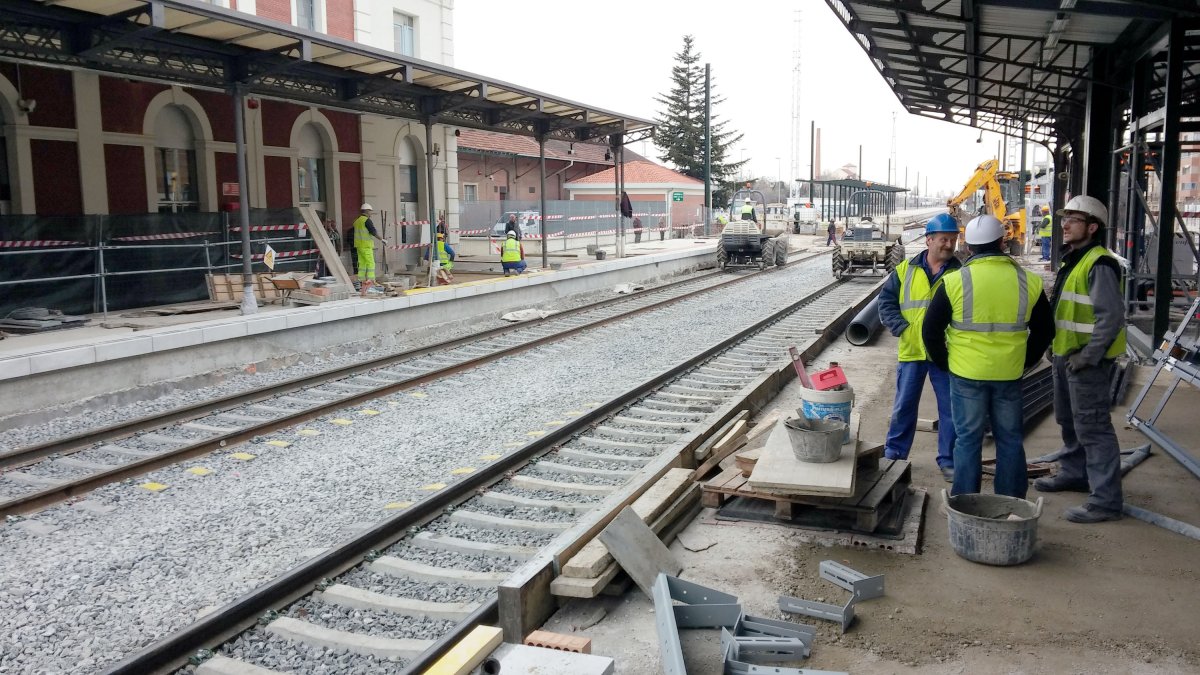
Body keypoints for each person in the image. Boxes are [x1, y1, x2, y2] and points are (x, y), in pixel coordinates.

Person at [922, 214, 1054, 499]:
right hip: (1009, 374)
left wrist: (946, 364)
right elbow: (1045, 331)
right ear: (1002, 242)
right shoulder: (1029, 281)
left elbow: (930, 331)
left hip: (966, 374)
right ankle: (1009, 501)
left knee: (967, 440)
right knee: (1010, 439)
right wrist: (1026, 361)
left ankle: (965, 501)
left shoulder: (955, 281)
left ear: (968, 247)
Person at [1036, 195, 1127, 524]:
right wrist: (1054, 345)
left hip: (1086, 361)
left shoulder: (1099, 263)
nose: (1064, 224)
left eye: (1072, 219)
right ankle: (1075, 473)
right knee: (1068, 420)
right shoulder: (1072, 259)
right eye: (1065, 218)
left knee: (1094, 429)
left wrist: (1090, 355)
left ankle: (1105, 501)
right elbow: (1067, 310)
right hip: (1066, 355)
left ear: (1092, 227)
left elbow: (1111, 316)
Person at [877, 213, 962, 482]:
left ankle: (948, 461)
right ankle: (895, 454)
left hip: (947, 353)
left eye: (953, 239)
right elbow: (886, 302)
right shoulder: (906, 270)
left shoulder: (962, 273)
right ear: (929, 240)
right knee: (904, 407)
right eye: (943, 239)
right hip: (913, 350)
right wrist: (901, 327)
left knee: (950, 410)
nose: (949, 245)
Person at [352, 203, 387, 296]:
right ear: (367, 211)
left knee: (362, 264)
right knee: (371, 263)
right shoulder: (367, 221)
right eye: (370, 211)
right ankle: (371, 281)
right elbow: (373, 232)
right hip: (366, 246)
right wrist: (382, 239)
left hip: (359, 246)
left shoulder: (357, 221)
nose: (371, 213)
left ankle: (362, 281)